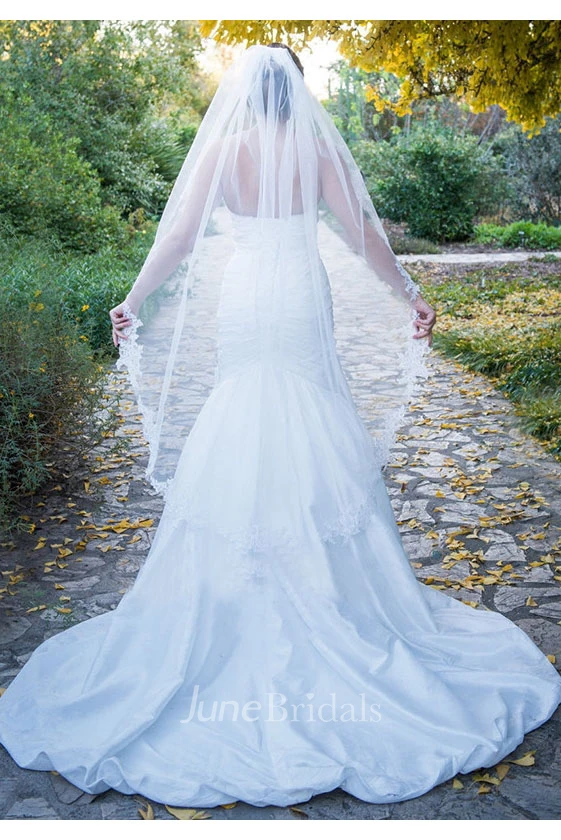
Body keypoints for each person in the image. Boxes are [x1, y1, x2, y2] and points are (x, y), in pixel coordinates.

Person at [0, 42, 560, 810]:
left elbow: (178, 237)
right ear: (295, 91)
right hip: (297, 291)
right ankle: (333, 594)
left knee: (243, 408)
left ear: (241, 94)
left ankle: (235, 596)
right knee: (308, 413)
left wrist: (133, 299)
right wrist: (410, 294)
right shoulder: (310, 147)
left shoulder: (225, 148)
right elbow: (361, 232)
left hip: (246, 295)